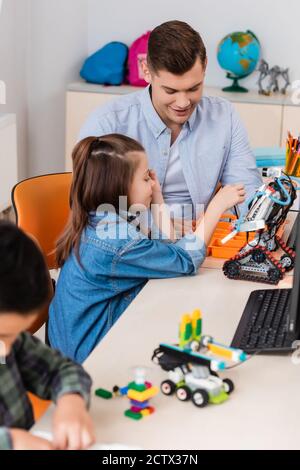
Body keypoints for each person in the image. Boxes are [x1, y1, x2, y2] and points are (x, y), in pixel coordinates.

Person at [48, 133, 245, 363]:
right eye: (145, 178)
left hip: (75, 342)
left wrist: (157, 196)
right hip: (89, 356)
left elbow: (167, 251)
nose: (152, 182)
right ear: (119, 186)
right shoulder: (116, 240)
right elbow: (185, 260)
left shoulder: (105, 219)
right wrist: (216, 207)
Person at [79, 20, 262, 229]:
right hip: (132, 246)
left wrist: (219, 224)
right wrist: (158, 226)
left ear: (205, 68)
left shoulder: (224, 116)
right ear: (146, 71)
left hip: (202, 242)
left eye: (194, 88)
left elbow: (247, 192)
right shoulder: (108, 122)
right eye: (170, 91)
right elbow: (92, 213)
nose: (183, 103)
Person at [0, 221, 95, 450]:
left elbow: (59, 369)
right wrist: (11, 442)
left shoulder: (11, 342)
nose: (9, 347)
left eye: (16, 333)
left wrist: (70, 400)